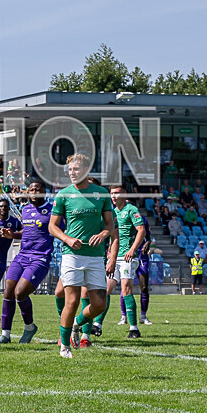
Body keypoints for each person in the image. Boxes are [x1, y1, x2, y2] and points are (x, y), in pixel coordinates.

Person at [49, 153, 116, 358]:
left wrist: (103, 234)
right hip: (72, 255)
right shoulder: (63, 195)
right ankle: (64, 347)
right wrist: (68, 239)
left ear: (86, 170)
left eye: (76, 169)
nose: (72, 173)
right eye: (69, 170)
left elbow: (110, 225)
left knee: (99, 304)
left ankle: (77, 324)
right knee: (72, 300)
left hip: (95, 256)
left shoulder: (101, 193)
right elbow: (52, 226)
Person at [0, 181, 52, 344]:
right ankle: (5, 335)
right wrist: (13, 234)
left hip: (40, 257)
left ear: (44, 192)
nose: (34, 191)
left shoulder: (52, 210)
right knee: (8, 291)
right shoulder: (26, 209)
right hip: (22, 255)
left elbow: (60, 228)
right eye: (31, 189)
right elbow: (27, 231)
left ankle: (29, 327)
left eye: (38, 189)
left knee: (20, 292)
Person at [108, 186, 147, 339]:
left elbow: (141, 230)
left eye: (116, 193)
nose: (113, 196)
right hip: (113, 257)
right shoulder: (110, 212)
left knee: (126, 290)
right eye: (111, 193)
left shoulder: (131, 209)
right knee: (105, 290)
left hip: (127, 258)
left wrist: (132, 249)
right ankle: (97, 325)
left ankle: (134, 328)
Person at [135, 216, 153, 326]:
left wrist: (148, 243)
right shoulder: (120, 215)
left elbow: (148, 237)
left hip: (142, 256)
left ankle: (143, 316)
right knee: (125, 286)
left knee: (144, 287)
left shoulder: (143, 219)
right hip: (127, 254)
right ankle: (124, 316)